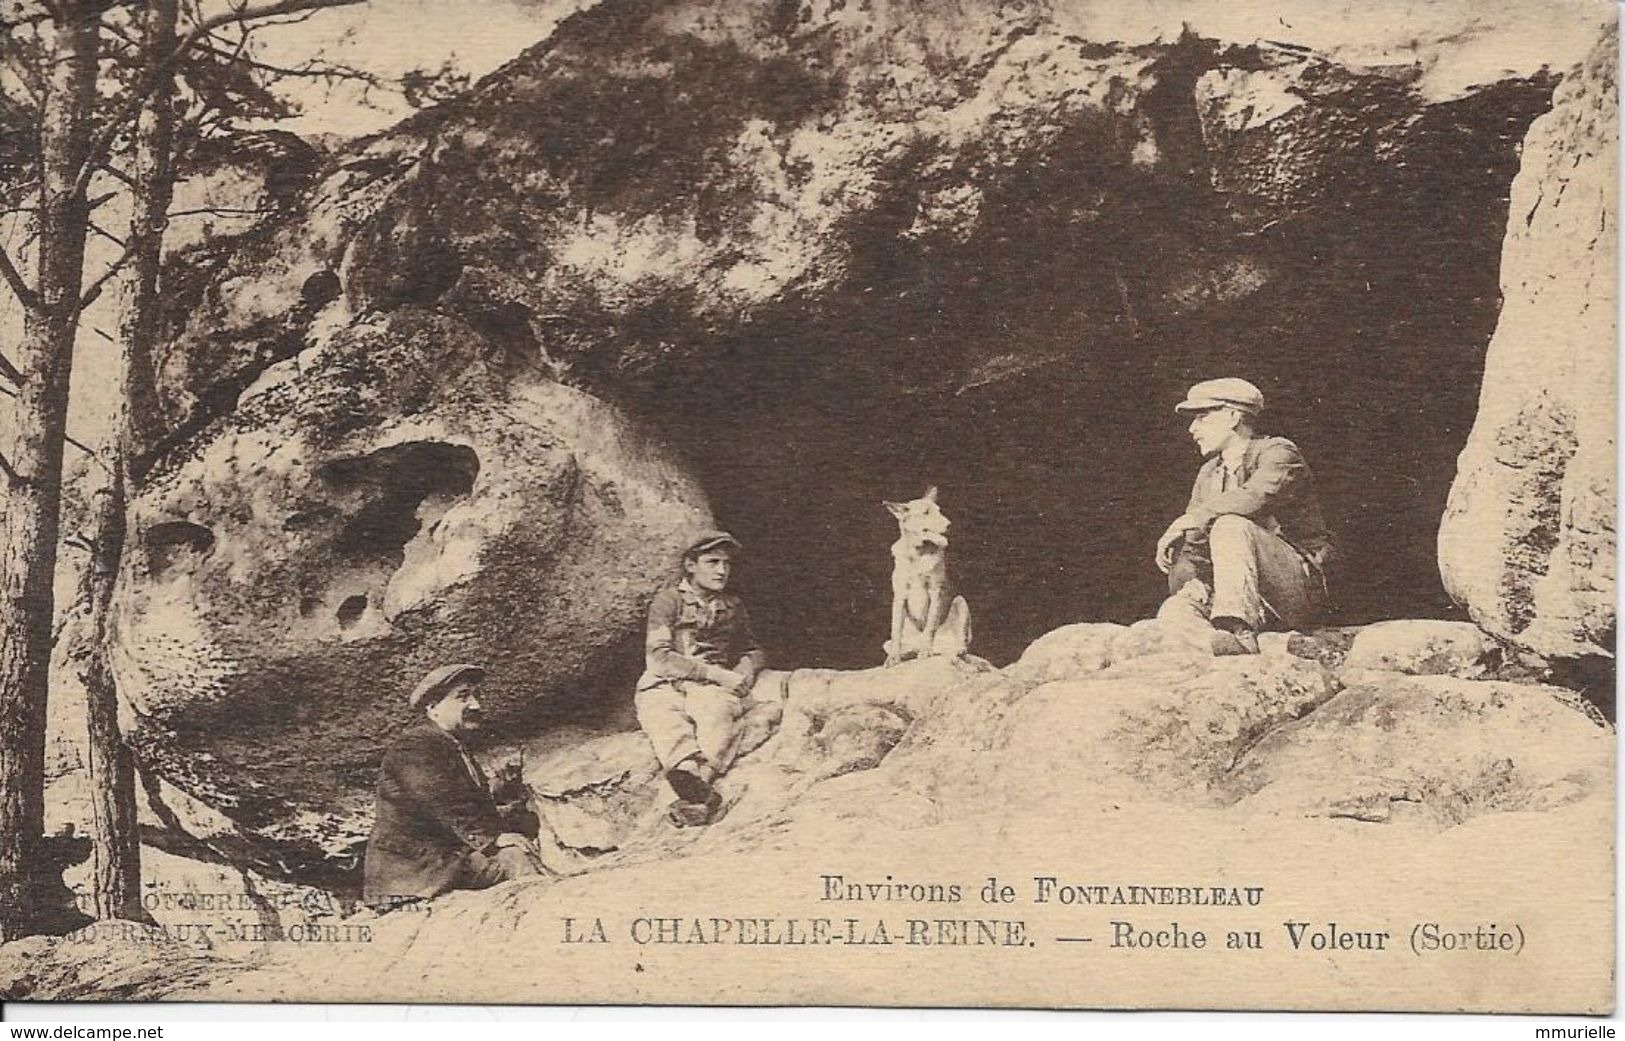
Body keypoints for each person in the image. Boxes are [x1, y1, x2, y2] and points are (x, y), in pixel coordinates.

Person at [1155, 378, 1334, 654]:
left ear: (1232, 416)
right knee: (1175, 610)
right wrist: (1192, 580)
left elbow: (1257, 495)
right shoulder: (1209, 473)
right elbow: (1193, 546)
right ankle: (1235, 648)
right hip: (1239, 594)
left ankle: (1237, 630)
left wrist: (1189, 519)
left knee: (1230, 525)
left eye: (1202, 417)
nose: (1193, 429)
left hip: (1293, 589)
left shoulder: (1279, 452)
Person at [363, 663, 544, 908]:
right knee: (516, 861)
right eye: (463, 697)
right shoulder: (416, 746)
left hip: (439, 864)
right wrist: (492, 839)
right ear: (433, 708)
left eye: (477, 696)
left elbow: (463, 802)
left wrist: (505, 793)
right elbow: (440, 800)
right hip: (413, 874)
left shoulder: (449, 746)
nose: (476, 705)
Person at [635, 531, 766, 826]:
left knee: (717, 713)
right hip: (665, 680)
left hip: (710, 687)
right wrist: (717, 673)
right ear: (690, 566)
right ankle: (688, 775)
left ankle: (699, 787)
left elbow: (754, 648)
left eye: (726, 564)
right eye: (712, 562)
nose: (722, 570)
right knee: (661, 715)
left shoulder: (733, 606)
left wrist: (745, 668)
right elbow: (657, 656)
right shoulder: (668, 601)